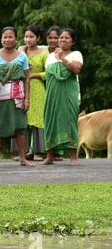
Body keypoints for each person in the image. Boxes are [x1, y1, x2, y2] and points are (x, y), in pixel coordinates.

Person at [0, 26, 34, 167]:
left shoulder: (22, 57)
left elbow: (27, 79)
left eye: (10, 36)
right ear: (1, 39)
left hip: (17, 95)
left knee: (19, 127)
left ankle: (23, 158)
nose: (8, 39)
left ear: (16, 39)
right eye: (5, 37)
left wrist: (27, 99)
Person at [43, 28, 83, 166]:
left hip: (68, 94)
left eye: (66, 38)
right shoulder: (49, 57)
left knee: (70, 120)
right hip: (52, 94)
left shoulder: (76, 54)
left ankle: (73, 157)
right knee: (50, 121)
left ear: (72, 42)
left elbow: (76, 69)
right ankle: (50, 156)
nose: (62, 40)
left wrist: (62, 58)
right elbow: (48, 76)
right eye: (61, 37)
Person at [17, 25, 48, 161]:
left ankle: (38, 150)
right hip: (22, 87)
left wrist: (34, 75)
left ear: (38, 38)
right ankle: (24, 152)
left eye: (31, 37)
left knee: (37, 119)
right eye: (26, 36)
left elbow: (49, 72)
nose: (28, 39)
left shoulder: (44, 53)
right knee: (24, 119)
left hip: (38, 88)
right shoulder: (21, 51)